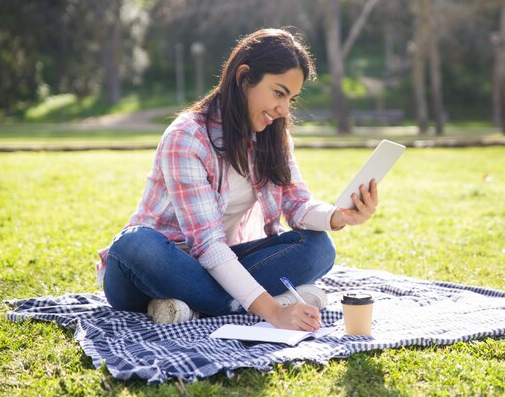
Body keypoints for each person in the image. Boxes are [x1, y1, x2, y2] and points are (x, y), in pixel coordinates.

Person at [96, 28, 379, 332]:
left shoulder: (275, 137)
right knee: (135, 244)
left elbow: (297, 205)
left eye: (291, 99)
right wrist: (274, 312)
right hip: (157, 267)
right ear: (244, 78)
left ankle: (197, 307)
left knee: (318, 246)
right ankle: (242, 302)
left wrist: (339, 216)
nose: (284, 109)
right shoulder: (187, 137)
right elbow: (206, 245)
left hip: (217, 264)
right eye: (279, 93)